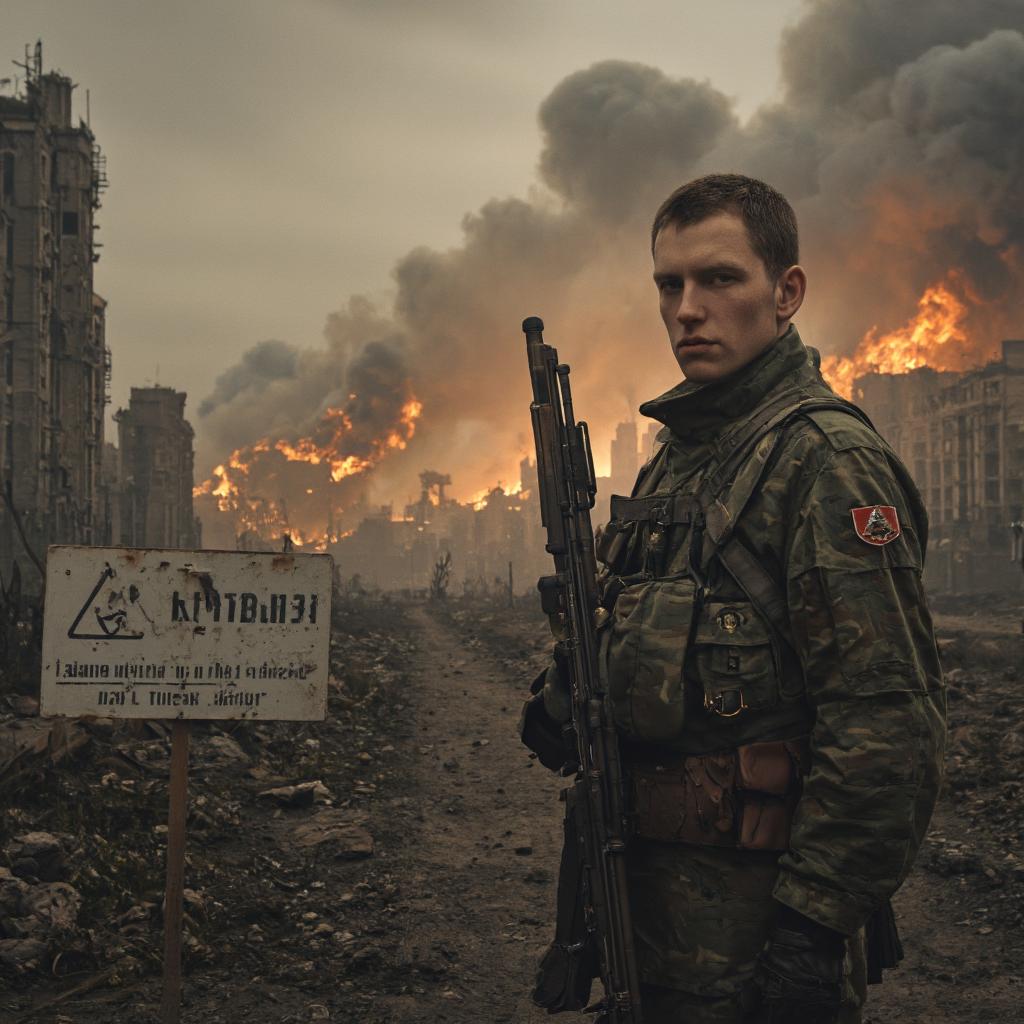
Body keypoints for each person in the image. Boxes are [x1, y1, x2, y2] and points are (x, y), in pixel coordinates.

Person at [524, 174, 946, 1024]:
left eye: (719, 279)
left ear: (786, 292)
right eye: (669, 285)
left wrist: (810, 932)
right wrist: (572, 687)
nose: (687, 308)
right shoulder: (679, 457)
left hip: (759, 943)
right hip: (650, 925)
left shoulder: (825, 462)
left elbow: (887, 724)